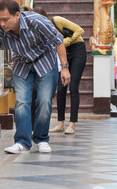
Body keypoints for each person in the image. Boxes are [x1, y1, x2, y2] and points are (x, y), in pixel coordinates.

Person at [0, 0, 70, 153]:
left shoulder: (37, 21)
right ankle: (22, 142)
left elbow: (58, 40)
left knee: (44, 101)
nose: (2, 24)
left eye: (6, 19)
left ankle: (41, 139)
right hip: (22, 64)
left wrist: (65, 67)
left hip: (45, 61)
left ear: (17, 15)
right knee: (22, 102)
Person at [33, 7, 87, 135]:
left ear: (45, 17)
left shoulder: (57, 20)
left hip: (77, 50)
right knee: (61, 88)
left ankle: (72, 124)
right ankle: (60, 123)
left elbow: (80, 30)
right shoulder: (43, 31)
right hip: (63, 54)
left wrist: (64, 42)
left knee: (73, 86)